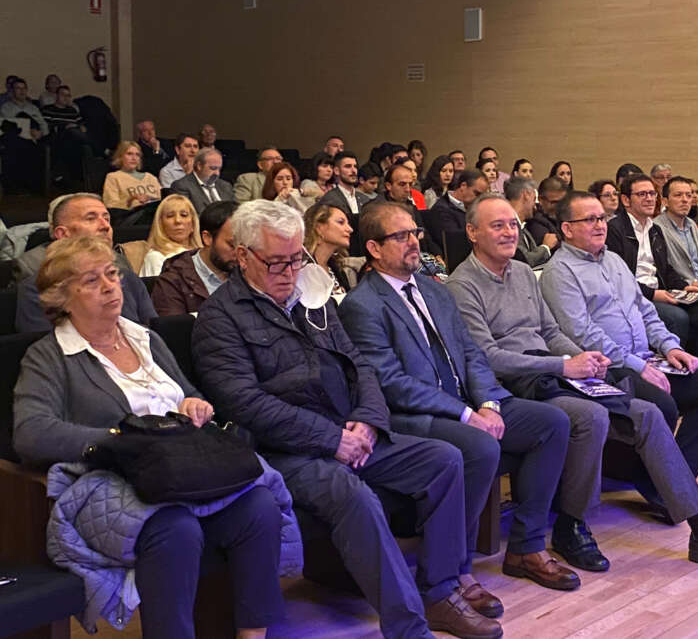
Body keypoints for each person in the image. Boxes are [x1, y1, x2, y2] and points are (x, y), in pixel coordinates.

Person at [192, 200, 498, 639]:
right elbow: (245, 404)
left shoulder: (312, 299)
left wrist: (367, 420)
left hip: (348, 430)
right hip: (283, 451)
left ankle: (439, 591)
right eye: (276, 262)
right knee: (353, 495)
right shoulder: (219, 318)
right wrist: (331, 438)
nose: (289, 272)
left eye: (296, 258)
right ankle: (409, 627)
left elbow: (360, 367)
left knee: (445, 460)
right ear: (242, 256)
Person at [448, 195, 698, 570]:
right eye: (497, 226)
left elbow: (551, 332)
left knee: (648, 413)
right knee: (593, 416)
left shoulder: (522, 272)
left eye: (511, 225)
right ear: (472, 232)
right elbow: (487, 357)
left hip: (556, 372)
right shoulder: (462, 285)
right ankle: (571, 524)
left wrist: (584, 360)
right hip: (518, 385)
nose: (509, 233)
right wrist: (565, 366)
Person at [14, 235, 291, 639]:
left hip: (180, 472)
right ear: (62, 298)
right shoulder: (49, 356)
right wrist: (116, 439)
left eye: (112, 274)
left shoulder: (144, 338)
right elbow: (31, 433)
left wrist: (195, 405)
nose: (110, 286)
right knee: (176, 528)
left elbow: (187, 393)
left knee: (259, 506)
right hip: (116, 481)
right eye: (91, 281)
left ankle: (252, 636)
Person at [340, 201, 580, 595]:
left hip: (468, 402)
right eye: (400, 236)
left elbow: (472, 353)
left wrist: (488, 403)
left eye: (415, 233)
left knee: (551, 423)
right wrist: (467, 414)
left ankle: (527, 547)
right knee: (480, 446)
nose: (414, 242)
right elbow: (391, 383)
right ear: (374, 248)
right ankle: (457, 568)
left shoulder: (435, 290)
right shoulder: (362, 305)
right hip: (415, 415)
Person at [541, 191, 698, 518]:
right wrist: (638, 366)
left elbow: (645, 310)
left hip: (644, 357)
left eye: (602, 218)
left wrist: (670, 346)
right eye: (589, 219)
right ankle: (662, 486)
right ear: (567, 229)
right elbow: (582, 334)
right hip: (607, 367)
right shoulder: (559, 272)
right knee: (662, 403)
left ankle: (668, 486)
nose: (600, 225)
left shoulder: (614, 260)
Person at [606, 174, 698, 371]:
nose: (649, 199)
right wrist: (653, 294)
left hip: (661, 291)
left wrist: (686, 287)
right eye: (642, 194)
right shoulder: (615, 230)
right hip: (635, 296)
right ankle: (673, 374)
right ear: (625, 200)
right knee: (677, 317)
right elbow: (619, 279)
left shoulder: (654, 229)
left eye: (652, 194)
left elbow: (666, 270)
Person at [15, 193, 157, 333]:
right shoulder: (37, 289)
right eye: (90, 219)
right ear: (63, 234)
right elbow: (46, 344)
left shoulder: (127, 276)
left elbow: (154, 334)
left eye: (107, 219)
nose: (105, 226)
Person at [152, 200, 238, 315]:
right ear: (207, 238)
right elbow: (173, 325)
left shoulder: (250, 270)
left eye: (245, 245)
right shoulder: (173, 281)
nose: (240, 253)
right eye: (232, 245)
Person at [655, 177, 698, 295]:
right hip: (681, 289)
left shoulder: (692, 224)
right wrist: (690, 284)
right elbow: (665, 269)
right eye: (678, 195)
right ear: (665, 201)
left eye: (688, 196)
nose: (685, 200)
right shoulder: (657, 227)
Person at [376, 164, 442, 255]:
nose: (408, 189)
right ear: (388, 186)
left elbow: (424, 236)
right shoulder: (376, 209)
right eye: (402, 184)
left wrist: (437, 255)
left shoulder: (411, 207)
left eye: (410, 184)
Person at [304, 202, 359, 299]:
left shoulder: (336, 268)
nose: (350, 229)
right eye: (341, 222)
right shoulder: (302, 268)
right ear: (319, 228)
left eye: (348, 224)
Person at [425, 168, 488, 252]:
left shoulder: (476, 209)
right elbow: (456, 244)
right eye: (477, 194)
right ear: (463, 186)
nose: (479, 199)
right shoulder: (441, 210)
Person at [140, 194, 201, 277]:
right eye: (170, 216)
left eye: (183, 215)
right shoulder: (156, 257)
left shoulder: (203, 255)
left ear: (193, 224)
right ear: (160, 224)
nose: (178, 220)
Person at [506, 177, 556, 267]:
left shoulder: (523, 227)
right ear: (526, 195)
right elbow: (524, 260)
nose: (535, 206)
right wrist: (546, 247)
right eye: (534, 199)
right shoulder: (507, 225)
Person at [171, 148, 235, 214]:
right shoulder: (182, 186)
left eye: (219, 169)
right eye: (213, 168)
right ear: (199, 166)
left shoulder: (226, 186)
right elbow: (186, 215)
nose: (217, 173)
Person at [102, 140, 162, 210]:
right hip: (130, 215)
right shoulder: (113, 177)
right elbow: (110, 205)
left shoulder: (150, 177)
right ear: (120, 157)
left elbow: (163, 200)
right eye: (129, 154)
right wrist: (130, 200)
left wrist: (150, 198)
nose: (134, 158)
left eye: (137, 155)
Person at [318, 150, 363, 232]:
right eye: (348, 166)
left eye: (355, 166)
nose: (354, 171)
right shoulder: (329, 199)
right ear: (336, 171)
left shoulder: (365, 199)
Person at [527, 175, 567, 246]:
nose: (560, 207)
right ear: (540, 199)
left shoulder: (566, 217)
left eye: (563, 202)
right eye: (555, 202)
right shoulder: (535, 223)